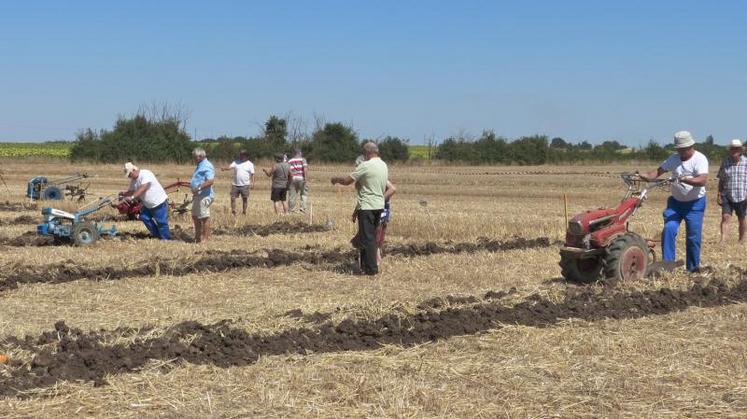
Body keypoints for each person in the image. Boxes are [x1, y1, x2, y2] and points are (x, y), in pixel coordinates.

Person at [641, 131, 708, 272]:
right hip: (676, 204)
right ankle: (668, 266)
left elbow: (702, 180)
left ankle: (693, 269)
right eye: (678, 149)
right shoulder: (673, 159)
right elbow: (657, 172)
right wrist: (644, 176)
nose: (680, 151)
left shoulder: (700, 159)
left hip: (695, 204)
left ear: (691, 146)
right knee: (669, 229)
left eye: (683, 149)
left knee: (693, 237)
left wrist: (685, 179)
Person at [331, 142, 388, 275]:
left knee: (367, 238)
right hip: (379, 206)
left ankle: (371, 270)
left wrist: (336, 179)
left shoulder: (366, 165)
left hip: (367, 206)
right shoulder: (383, 165)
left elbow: (347, 181)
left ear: (367, 152)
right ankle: (364, 266)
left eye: (364, 153)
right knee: (369, 237)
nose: (364, 156)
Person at [119, 162, 170, 240]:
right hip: (148, 205)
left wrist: (132, 197)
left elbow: (144, 187)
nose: (129, 177)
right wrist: (123, 194)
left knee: (161, 222)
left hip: (158, 203)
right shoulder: (134, 180)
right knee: (144, 217)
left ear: (134, 170)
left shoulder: (146, 174)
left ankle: (165, 239)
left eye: (129, 174)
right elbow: (131, 191)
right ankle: (157, 236)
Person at [717, 139, 747, 244]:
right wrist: (719, 193)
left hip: (742, 195)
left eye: (737, 148)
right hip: (727, 195)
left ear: (740, 150)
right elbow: (721, 179)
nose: (734, 150)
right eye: (732, 148)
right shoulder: (725, 162)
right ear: (730, 150)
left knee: (742, 218)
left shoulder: (746, 162)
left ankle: (742, 239)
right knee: (725, 217)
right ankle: (723, 240)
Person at [190, 148, 215, 243]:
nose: (193, 159)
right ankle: (197, 237)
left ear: (200, 157)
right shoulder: (200, 165)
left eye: (194, 157)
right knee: (195, 216)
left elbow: (210, 180)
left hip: (204, 195)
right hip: (198, 196)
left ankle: (205, 238)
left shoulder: (207, 166)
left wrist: (199, 187)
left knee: (204, 217)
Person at [221, 150, 254, 216]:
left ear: (246, 156)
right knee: (232, 198)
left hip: (245, 184)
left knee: (245, 199)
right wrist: (224, 168)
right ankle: (233, 212)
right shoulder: (236, 162)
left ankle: (244, 212)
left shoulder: (250, 164)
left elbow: (252, 174)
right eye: (240, 154)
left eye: (242, 155)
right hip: (235, 184)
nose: (241, 156)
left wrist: (252, 182)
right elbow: (230, 167)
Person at [376, 180, 397, 265]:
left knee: (377, 232)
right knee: (380, 232)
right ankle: (378, 255)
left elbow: (392, 189)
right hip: (384, 207)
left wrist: (379, 200)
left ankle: (377, 259)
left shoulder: (383, 179)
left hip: (381, 207)